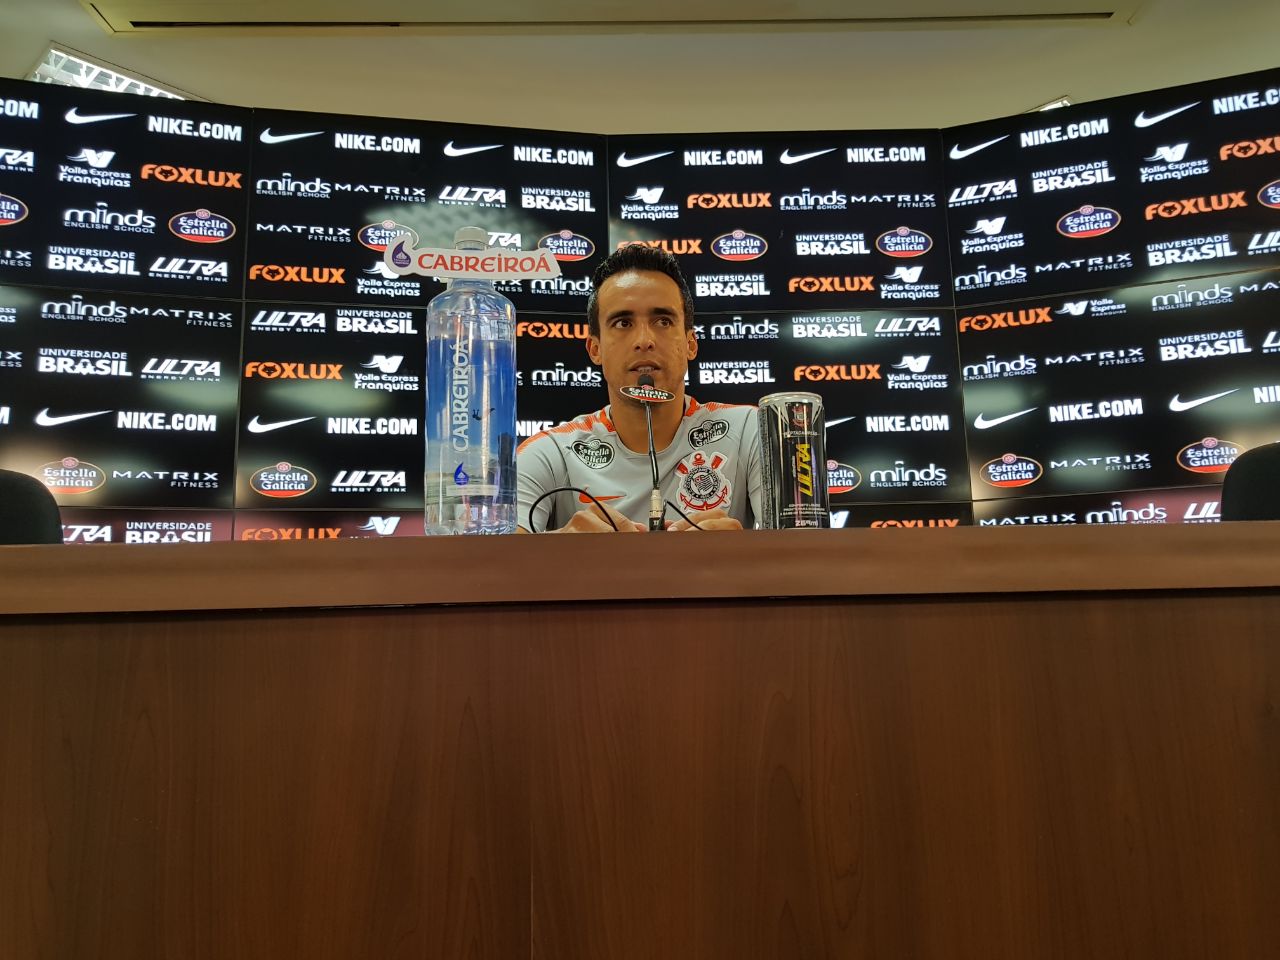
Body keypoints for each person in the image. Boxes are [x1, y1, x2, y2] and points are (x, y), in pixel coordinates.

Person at [516, 245, 763, 533]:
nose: (644, 340)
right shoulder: (550, 452)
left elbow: (801, 545)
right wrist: (562, 549)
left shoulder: (751, 430)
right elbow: (490, 554)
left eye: (663, 321)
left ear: (690, 344)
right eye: (623, 323)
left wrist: (740, 553)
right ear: (595, 349)